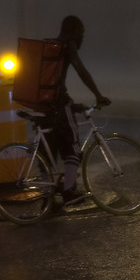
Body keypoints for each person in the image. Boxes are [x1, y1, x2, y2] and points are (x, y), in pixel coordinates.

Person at [50, 15, 111, 205]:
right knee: (73, 148)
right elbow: (81, 69)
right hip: (58, 103)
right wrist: (98, 95)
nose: (82, 38)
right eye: (81, 33)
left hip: (44, 103)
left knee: (50, 149)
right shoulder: (68, 45)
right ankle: (68, 191)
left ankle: (48, 197)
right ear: (75, 32)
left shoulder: (51, 46)